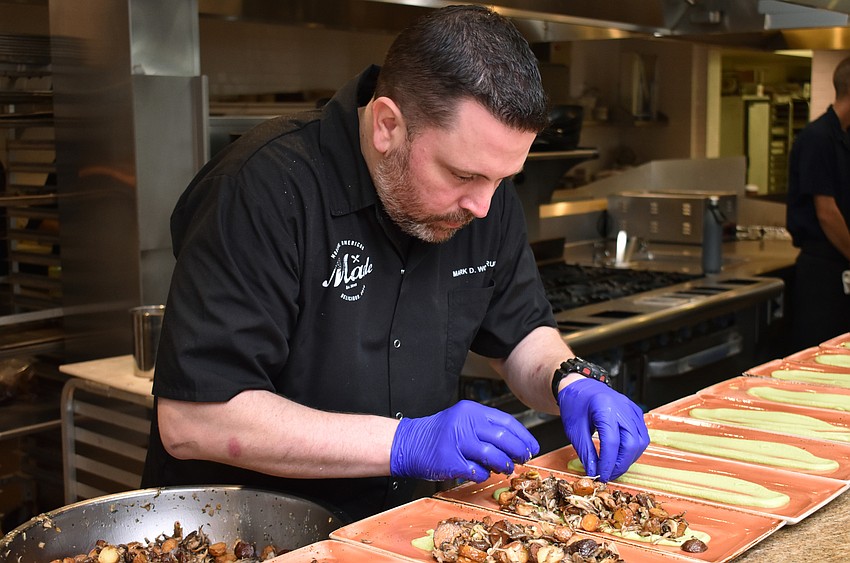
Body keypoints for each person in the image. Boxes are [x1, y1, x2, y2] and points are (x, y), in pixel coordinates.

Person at [141, 5, 648, 522]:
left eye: (503, 179)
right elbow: (193, 421)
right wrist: (407, 441)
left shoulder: (483, 195)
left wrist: (571, 380)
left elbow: (519, 334)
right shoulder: (262, 188)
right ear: (387, 125)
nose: (483, 206)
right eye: (462, 175)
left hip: (404, 528)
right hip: (255, 534)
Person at [787, 56, 850, 349]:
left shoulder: (842, 137)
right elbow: (826, 212)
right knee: (819, 354)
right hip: (822, 272)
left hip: (840, 266)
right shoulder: (818, 138)